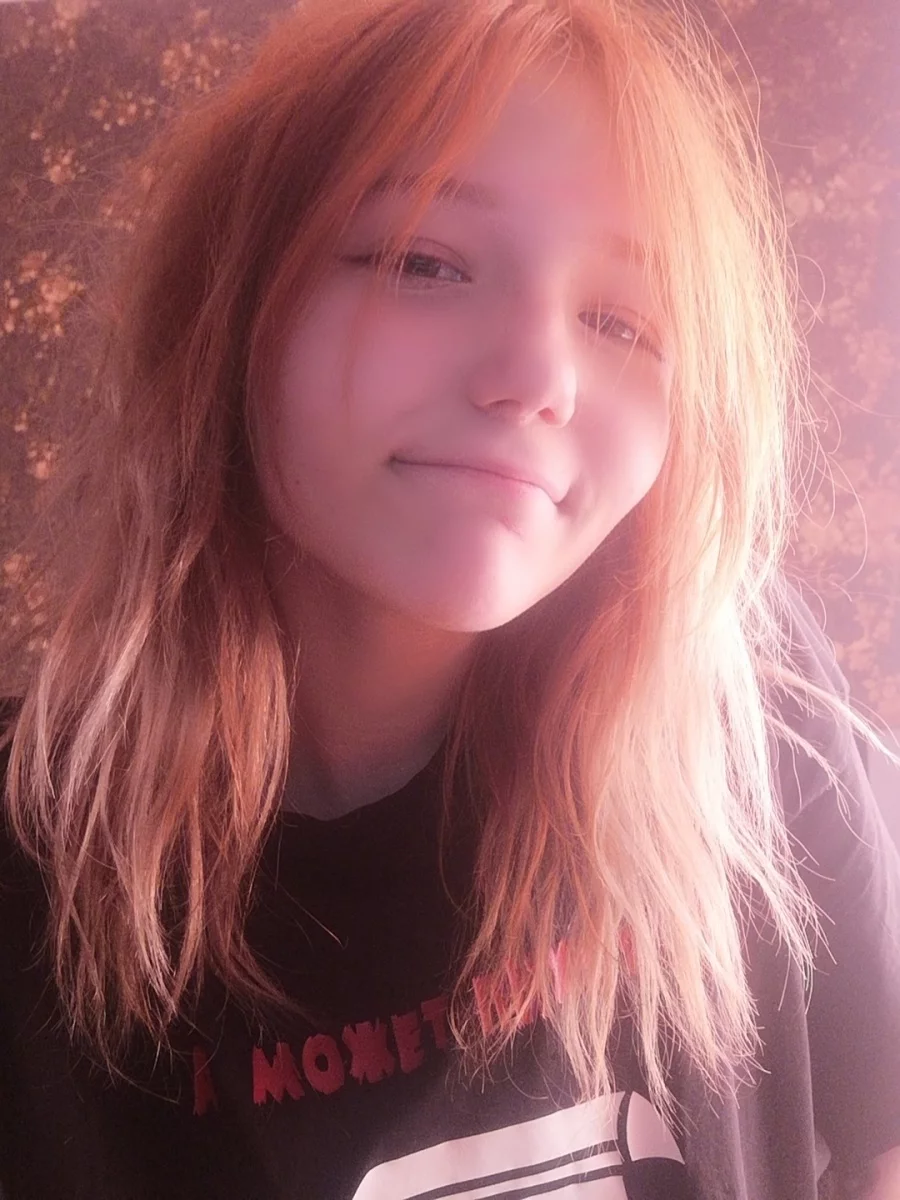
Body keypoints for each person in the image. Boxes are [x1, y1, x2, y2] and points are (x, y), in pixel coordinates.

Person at [1, 0, 898, 1196]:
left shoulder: (749, 696)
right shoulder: (32, 875)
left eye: (622, 319)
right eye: (425, 260)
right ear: (231, 309)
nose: (539, 377)